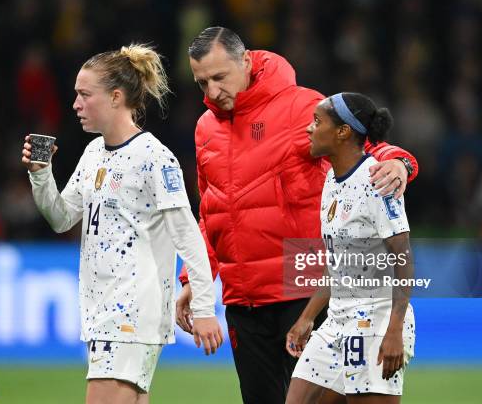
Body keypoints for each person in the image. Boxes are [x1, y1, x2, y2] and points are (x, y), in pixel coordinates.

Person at [175, 27, 418, 403]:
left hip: (301, 289)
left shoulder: (298, 107)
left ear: (247, 61)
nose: (211, 92)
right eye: (201, 82)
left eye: (219, 77)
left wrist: (400, 163)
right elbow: (211, 211)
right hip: (243, 300)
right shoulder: (205, 128)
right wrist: (196, 278)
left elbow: (364, 144)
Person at [21, 44, 223, 404]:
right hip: (103, 310)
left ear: (115, 97)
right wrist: (41, 176)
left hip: (131, 312)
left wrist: (206, 310)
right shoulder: (94, 153)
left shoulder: (154, 158)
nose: (75, 104)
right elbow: (61, 217)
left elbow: (188, 237)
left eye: (84, 95)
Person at [285, 92, 415, 404]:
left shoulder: (377, 181)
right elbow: (339, 262)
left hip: (375, 320)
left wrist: (394, 330)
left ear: (343, 132)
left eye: (317, 122)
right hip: (336, 320)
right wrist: (307, 317)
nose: (309, 129)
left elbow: (404, 260)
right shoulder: (332, 179)